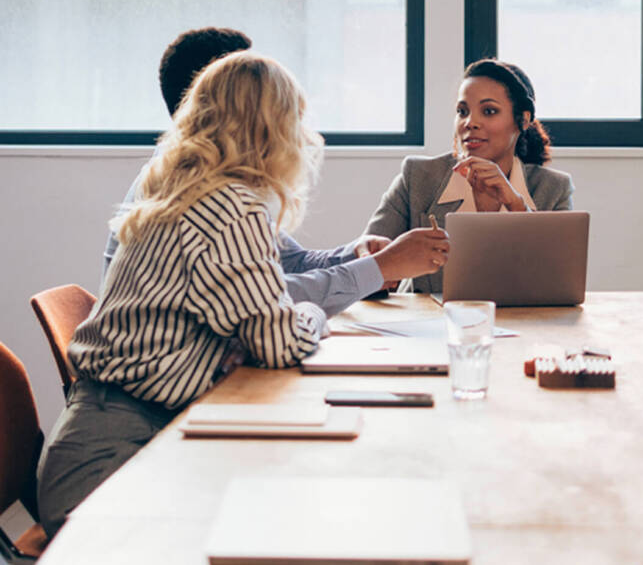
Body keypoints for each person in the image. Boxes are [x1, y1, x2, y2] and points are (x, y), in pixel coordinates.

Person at [37, 52, 449, 536]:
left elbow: (258, 311)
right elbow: (280, 343)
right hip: (112, 471)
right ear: (273, 128)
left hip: (113, 440)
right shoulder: (231, 208)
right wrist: (312, 313)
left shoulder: (188, 188)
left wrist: (259, 327)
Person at [104, 26, 423, 316]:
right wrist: (377, 269)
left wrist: (353, 255)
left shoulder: (212, 179)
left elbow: (287, 262)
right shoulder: (195, 191)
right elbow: (271, 296)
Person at [364, 58, 574, 293]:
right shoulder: (418, 177)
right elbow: (363, 266)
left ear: (522, 120)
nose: (470, 123)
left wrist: (517, 208)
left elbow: (557, 286)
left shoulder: (553, 189)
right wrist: (383, 263)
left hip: (518, 325)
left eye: (489, 111)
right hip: (430, 324)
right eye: (462, 111)